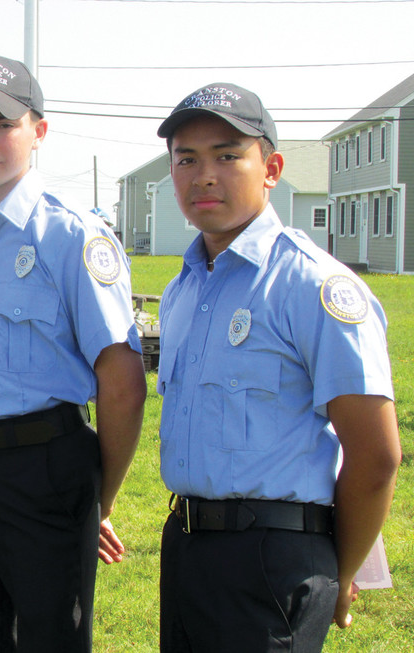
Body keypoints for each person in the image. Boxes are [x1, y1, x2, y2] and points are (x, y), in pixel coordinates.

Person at [154, 83, 401, 652]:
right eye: (186, 159)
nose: (204, 175)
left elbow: (377, 454)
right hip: (187, 546)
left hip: (272, 560)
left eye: (227, 155)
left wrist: (342, 572)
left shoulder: (313, 286)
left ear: (272, 169)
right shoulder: (182, 291)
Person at [0, 56, 146, 652]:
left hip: (46, 465)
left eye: (3, 124)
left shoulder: (71, 235)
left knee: (52, 638)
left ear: (38, 131)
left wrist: (99, 496)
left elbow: (122, 383)